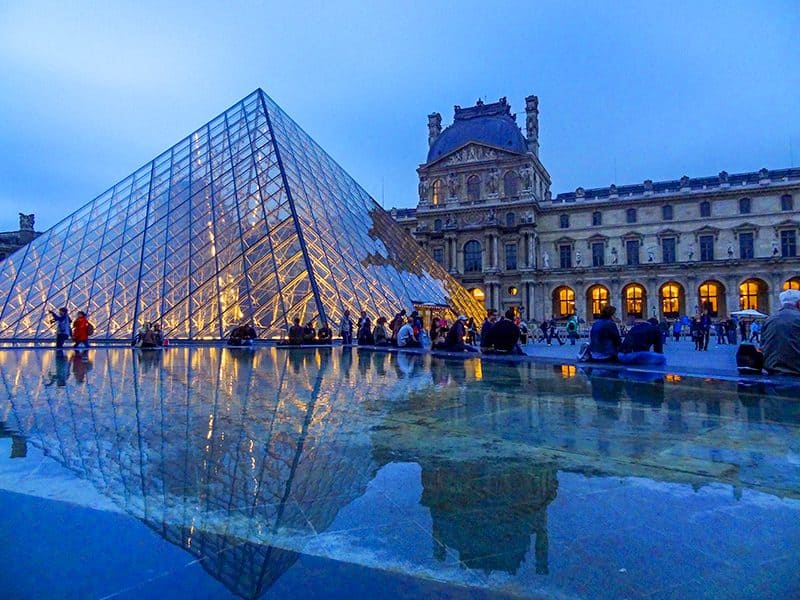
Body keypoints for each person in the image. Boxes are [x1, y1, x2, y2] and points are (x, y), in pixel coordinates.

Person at [761, 289, 800, 376]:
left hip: (772, 370)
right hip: (796, 371)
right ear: (798, 303)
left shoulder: (769, 319)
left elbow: (763, 346)